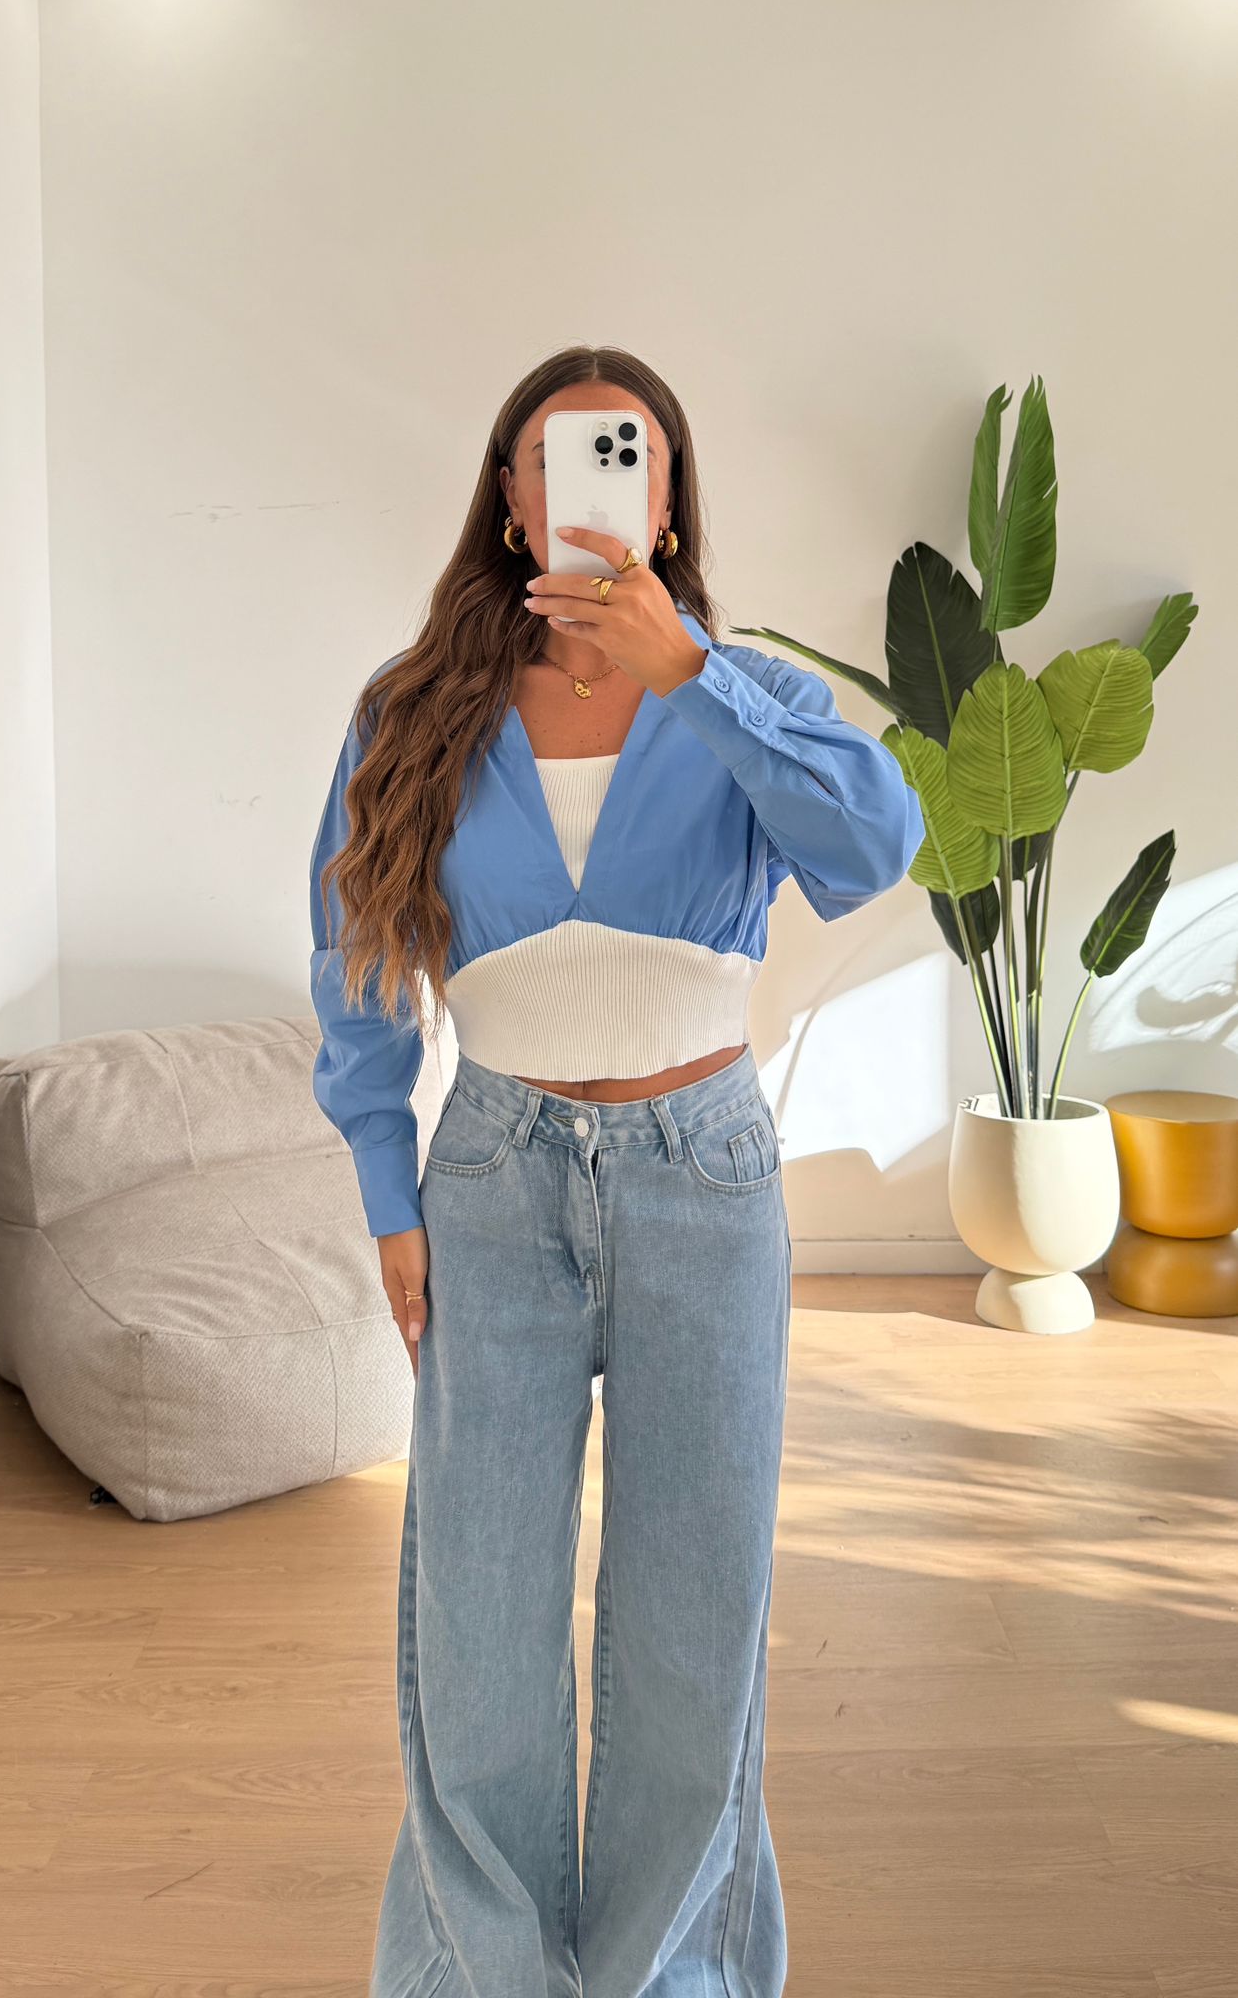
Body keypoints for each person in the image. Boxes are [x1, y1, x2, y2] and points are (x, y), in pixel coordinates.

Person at [309, 344, 925, 1998]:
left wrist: (690, 674)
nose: (588, 479)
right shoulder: (411, 707)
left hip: (700, 1177)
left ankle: (671, 1975)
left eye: (625, 453)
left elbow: (874, 847)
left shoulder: (747, 694)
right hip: (491, 1179)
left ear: (662, 498)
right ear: (512, 502)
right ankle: (485, 1974)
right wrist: (386, 1190)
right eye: (555, 454)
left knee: (689, 1622)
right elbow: (352, 962)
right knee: (483, 1619)